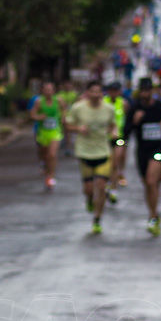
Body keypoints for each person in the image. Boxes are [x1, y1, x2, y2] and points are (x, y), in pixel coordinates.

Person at [66, 80, 117, 234]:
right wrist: (78, 128)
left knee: (101, 186)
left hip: (103, 151)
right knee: (89, 190)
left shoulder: (109, 108)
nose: (96, 95)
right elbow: (67, 125)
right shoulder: (78, 108)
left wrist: (113, 132)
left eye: (99, 91)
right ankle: (89, 200)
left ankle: (97, 219)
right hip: (84, 152)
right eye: (93, 91)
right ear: (87, 93)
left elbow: (113, 125)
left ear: (102, 93)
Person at [124, 77, 161, 236]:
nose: (146, 93)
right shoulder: (135, 108)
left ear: (153, 91)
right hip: (142, 151)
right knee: (148, 184)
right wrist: (135, 121)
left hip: (158, 149)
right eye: (143, 90)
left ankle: (152, 217)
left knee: (152, 181)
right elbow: (125, 132)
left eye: (148, 90)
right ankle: (153, 214)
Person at [29, 81, 65, 191]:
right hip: (43, 132)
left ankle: (51, 177)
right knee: (44, 154)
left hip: (55, 131)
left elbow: (64, 110)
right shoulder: (39, 102)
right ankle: (44, 166)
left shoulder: (58, 100)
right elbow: (32, 114)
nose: (48, 92)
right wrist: (40, 117)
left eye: (50, 89)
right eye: (46, 89)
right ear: (42, 91)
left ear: (54, 91)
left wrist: (63, 118)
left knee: (52, 154)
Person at [104, 81, 130, 196]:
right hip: (104, 137)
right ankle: (107, 183)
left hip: (119, 137)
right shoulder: (103, 102)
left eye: (116, 91)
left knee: (116, 161)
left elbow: (127, 120)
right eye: (111, 91)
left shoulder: (123, 103)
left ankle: (113, 187)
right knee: (106, 162)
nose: (114, 93)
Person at [56, 80, 79, 156]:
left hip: (70, 116)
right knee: (62, 131)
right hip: (61, 115)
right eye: (66, 85)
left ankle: (67, 147)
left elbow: (77, 103)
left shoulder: (74, 94)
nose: (67, 87)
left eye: (69, 85)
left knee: (68, 132)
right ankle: (63, 142)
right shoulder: (59, 95)